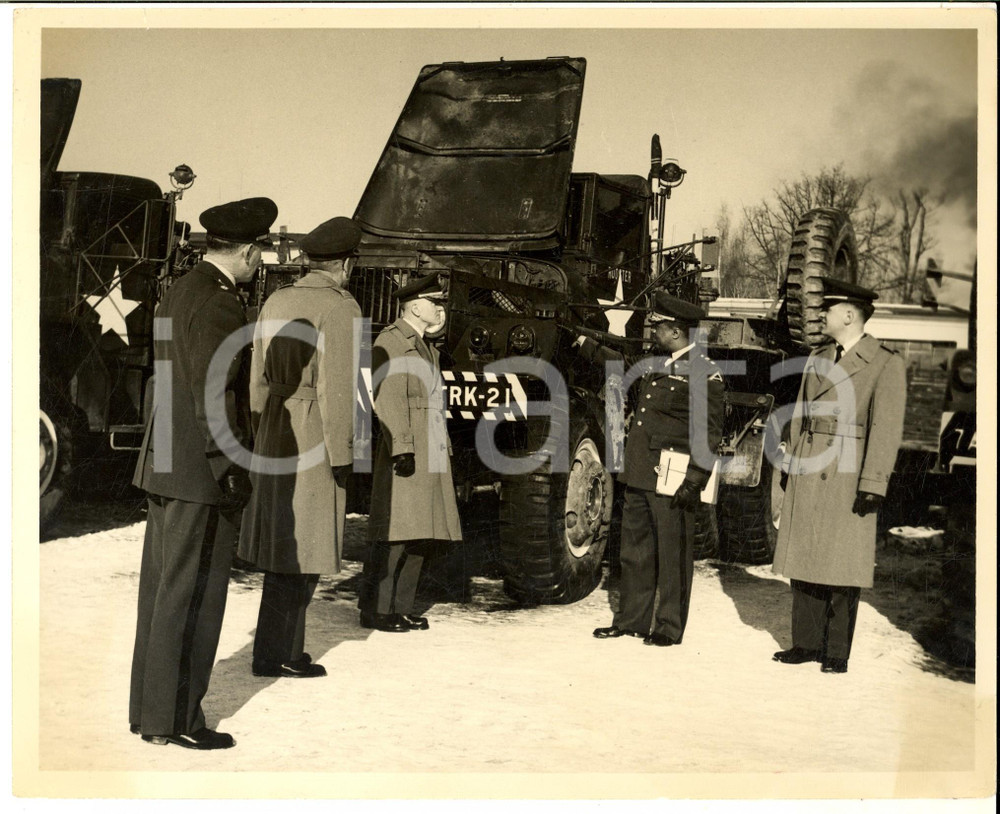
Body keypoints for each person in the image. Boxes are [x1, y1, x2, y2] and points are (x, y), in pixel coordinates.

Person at [130, 196, 278, 749]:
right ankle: (178, 720)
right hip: (199, 470)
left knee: (162, 595)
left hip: (166, 462)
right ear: (245, 250)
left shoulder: (180, 291)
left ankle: (149, 713)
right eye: (259, 251)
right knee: (194, 595)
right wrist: (230, 467)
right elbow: (214, 396)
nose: (261, 261)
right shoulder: (220, 304)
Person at [238, 216, 362, 678]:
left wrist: (260, 427)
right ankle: (280, 653)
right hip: (313, 430)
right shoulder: (342, 308)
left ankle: (277, 648)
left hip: (274, 424)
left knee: (282, 542)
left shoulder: (277, 298)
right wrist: (344, 454)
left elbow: (257, 376)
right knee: (304, 545)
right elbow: (337, 389)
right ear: (346, 264)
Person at [771, 277, 907, 674]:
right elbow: (800, 414)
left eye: (827, 310)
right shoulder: (818, 356)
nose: (821, 315)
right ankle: (806, 643)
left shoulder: (884, 361)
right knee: (806, 554)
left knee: (842, 563)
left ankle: (835, 652)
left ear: (849, 314)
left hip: (848, 469)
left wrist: (873, 483)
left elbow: (886, 428)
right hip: (812, 461)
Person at [593, 292, 724, 647]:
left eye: (659, 327)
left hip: (674, 477)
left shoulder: (703, 371)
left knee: (672, 554)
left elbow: (708, 432)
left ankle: (668, 626)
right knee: (634, 552)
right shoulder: (660, 362)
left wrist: (695, 478)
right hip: (640, 472)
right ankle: (631, 621)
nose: (653, 331)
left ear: (677, 331)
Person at [358, 272, 462, 632]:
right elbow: (387, 397)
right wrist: (402, 447)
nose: (441, 309)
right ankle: (377, 609)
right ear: (416, 307)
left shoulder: (423, 344)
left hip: (427, 446)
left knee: (420, 531)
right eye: (436, 303)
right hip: (408, 447)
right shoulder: (394, 341)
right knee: (396, 532)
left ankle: (400, 606)